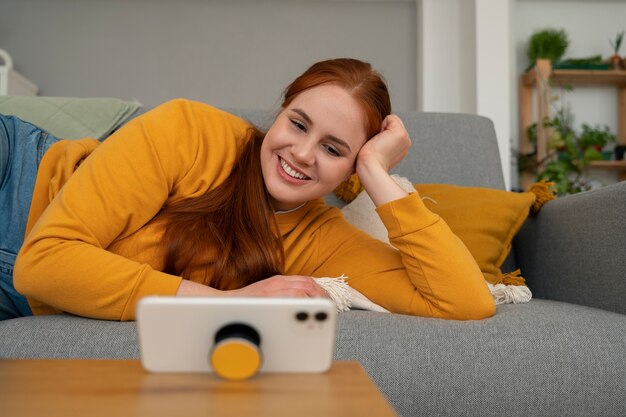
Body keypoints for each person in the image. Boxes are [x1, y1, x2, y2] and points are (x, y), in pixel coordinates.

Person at [1, 58, 496, 322]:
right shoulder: (191, 131)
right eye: (297, 123)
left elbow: (464, 302)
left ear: (352, 166)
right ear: (279, 112)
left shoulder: (323, 240)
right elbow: (47, 258)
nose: (301, 153)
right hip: (20, 176)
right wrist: (229, 303)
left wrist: (378, 175)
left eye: (333, 148)